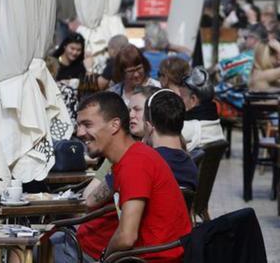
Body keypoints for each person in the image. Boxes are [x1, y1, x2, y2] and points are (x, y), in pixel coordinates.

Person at [54, 91, 191, 263]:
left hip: (139, 258)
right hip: (127, 254)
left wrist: (103, 259)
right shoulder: (129, 158)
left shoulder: (136, 162)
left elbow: (127, 236)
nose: (80, 132)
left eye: (87, 124)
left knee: (33, 250)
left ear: (115, 125)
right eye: (79, 125)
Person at [159, 57, 225, 148]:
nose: (178, 102)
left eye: (181, 97)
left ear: (193, 100)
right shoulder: (216, 124)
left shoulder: (187, 128)